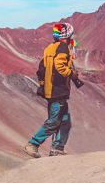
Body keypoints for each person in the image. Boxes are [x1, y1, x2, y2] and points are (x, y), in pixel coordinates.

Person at [24, 22, 83, 158]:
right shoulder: (63, 48)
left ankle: (57, 148)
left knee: (65, 122)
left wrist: (44, 85)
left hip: (51, 91)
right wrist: (71, 74)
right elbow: (59, 67)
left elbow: (41, 69)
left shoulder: (50, 48)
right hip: (59, 92)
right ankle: (33, 144)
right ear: (68, 34)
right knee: (54, 121)